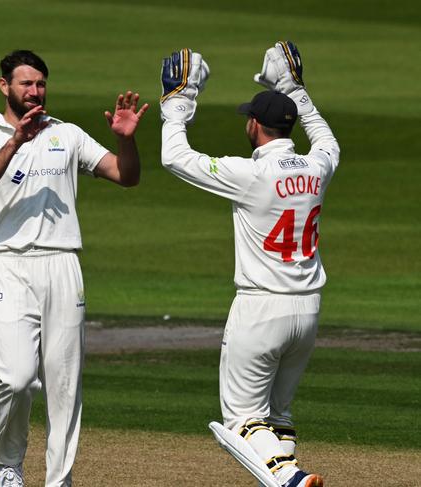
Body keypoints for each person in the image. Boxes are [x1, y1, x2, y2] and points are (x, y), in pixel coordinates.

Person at [0, 50, 148, 487]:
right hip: (9, 264)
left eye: (40, 84)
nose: (35, 91)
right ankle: (8, 463)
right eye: (26, 83)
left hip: (63, 263)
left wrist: (125, 139)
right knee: (17, 379)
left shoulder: (68, 134)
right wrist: (16, 142)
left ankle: (58, 479)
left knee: (64, 385)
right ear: (4, 86)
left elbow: (127, 175)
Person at [160, 42, 339, 487]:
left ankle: (291, 480)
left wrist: (177, 104)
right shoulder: (318, 168)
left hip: (261, 308)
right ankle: (287, 473)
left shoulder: (251, 174)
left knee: (241, 419)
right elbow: (327, 140)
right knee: (276, 417)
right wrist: (297, 91)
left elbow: (175, 158)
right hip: (308, 311)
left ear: (255, 125)